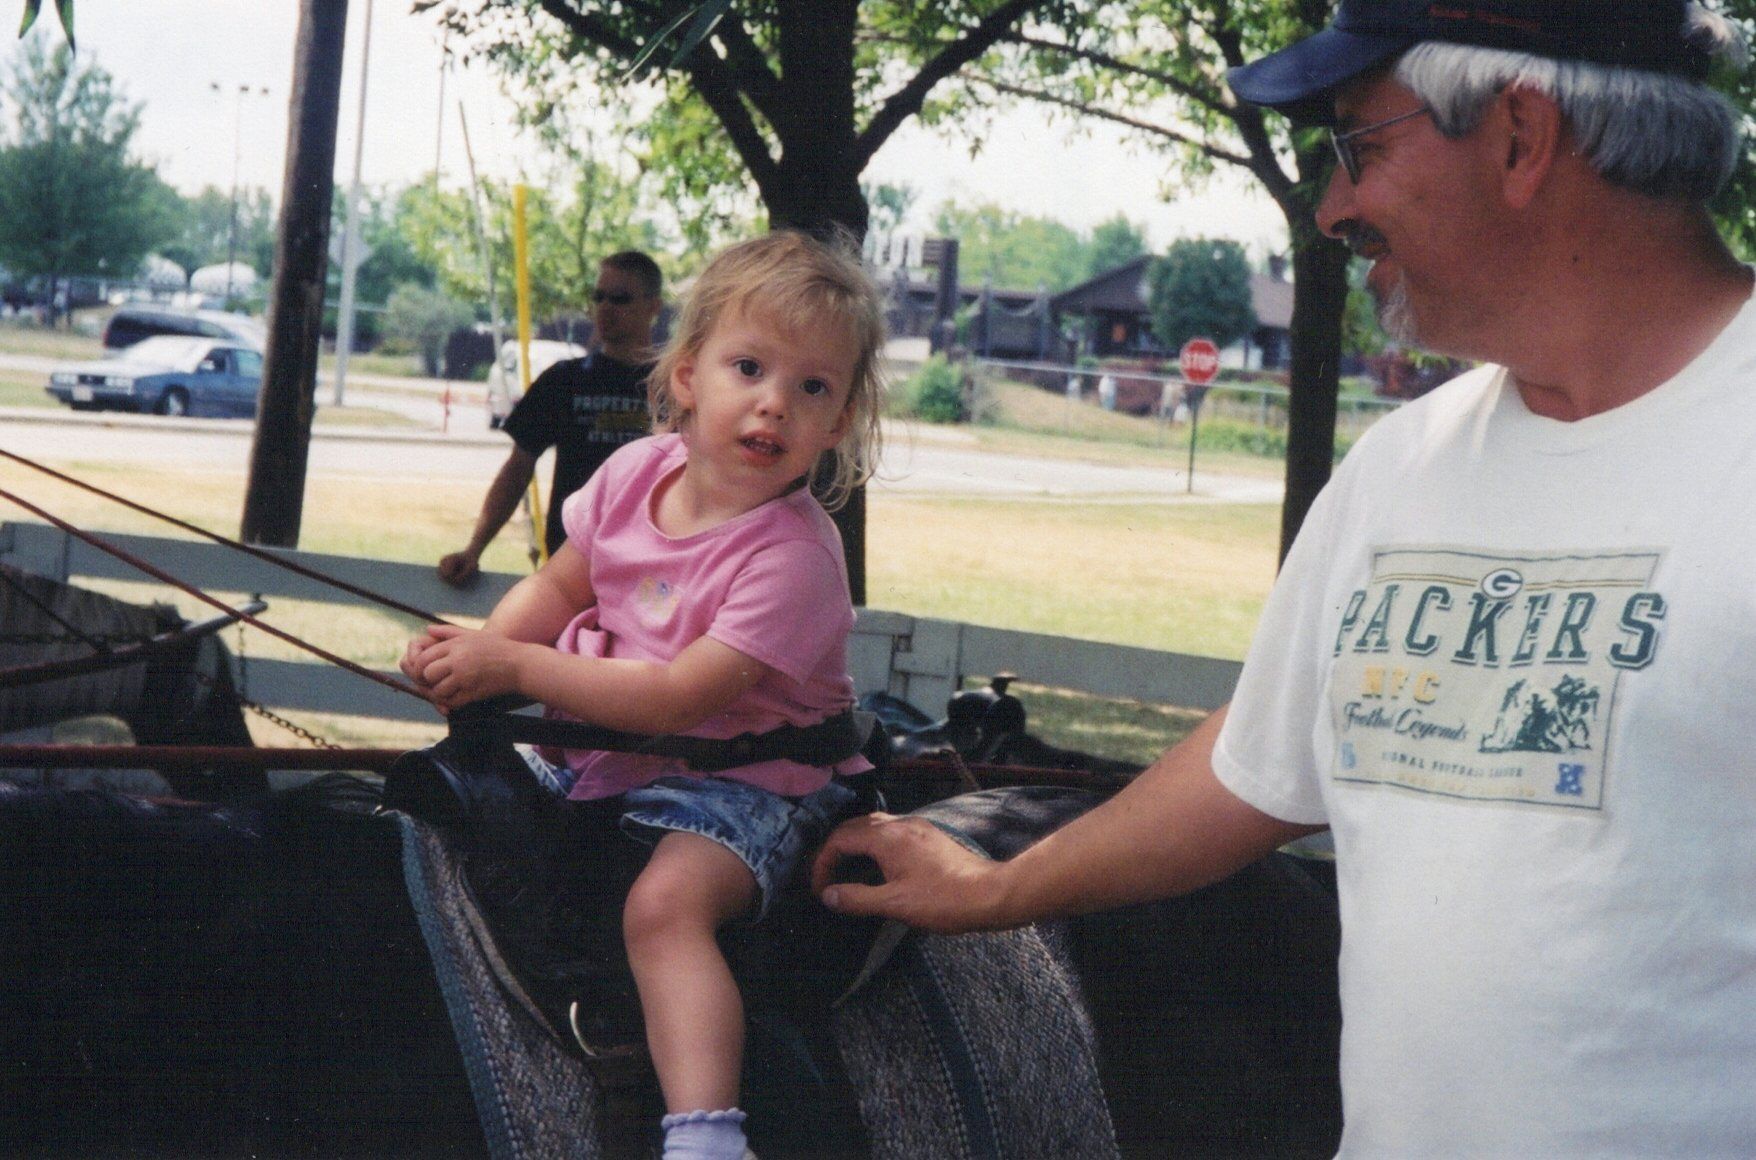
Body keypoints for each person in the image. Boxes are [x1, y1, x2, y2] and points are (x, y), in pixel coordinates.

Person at [814, 1, 1756, 1153]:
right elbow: (1259, 759)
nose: (1329, 207)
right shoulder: (1405, 465)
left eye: (1359, 147)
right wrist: (1002, 885)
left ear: (1520, 135)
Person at [404, 230, 887, 1160]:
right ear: (687, 374)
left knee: (663, 908)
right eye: (749, 366)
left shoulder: (793, 556)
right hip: (601, 751)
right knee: (454, 825)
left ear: (839, 422)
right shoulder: (632, 475)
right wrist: (483, 660)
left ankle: (707, 1132)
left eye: (812, 388)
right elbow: (557, 589)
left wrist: (518, 672)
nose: (774, 403)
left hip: (746, 785)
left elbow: (674, 698)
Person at [438, 250, 664, 586]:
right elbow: (517, 470)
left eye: (619, 298)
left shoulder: (678, 386)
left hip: (651, 571)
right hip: (569, 567)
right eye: (598, 297)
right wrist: (474, 549)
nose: (605, 308)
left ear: (653, 308)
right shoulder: (564, 380)